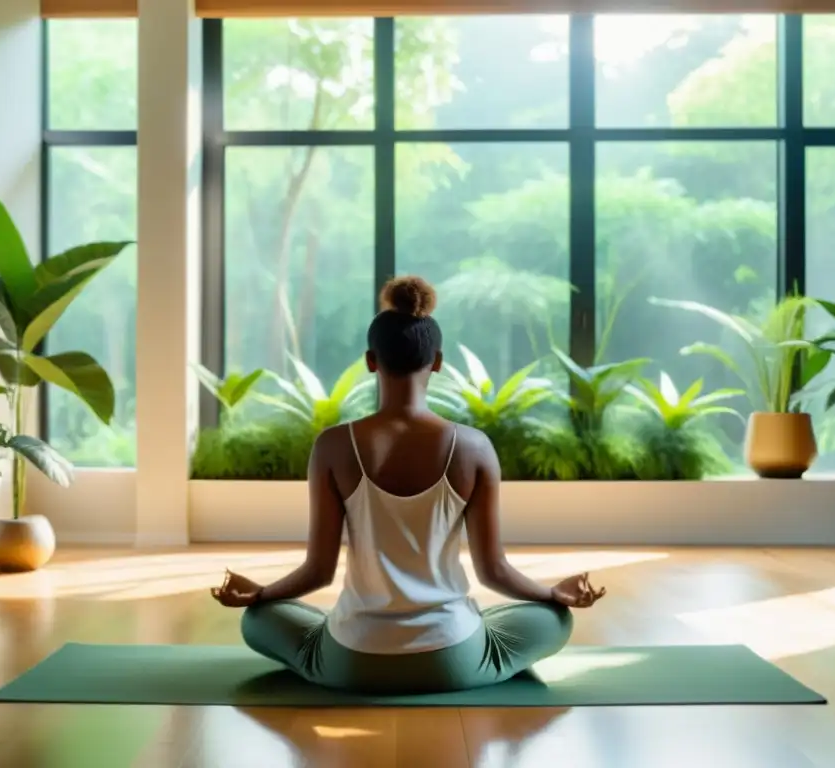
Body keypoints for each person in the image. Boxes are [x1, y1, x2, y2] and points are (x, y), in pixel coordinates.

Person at [211, 276, 606, 694]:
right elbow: (495, 571)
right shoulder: (473, 447)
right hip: (451, 657)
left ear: (370, 361)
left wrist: (261, 594)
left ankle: (338, 657)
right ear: (436, 361)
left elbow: (318, 571)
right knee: (554, 619)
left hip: (351, 661)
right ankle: (472, 646)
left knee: (258, 619)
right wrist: (551, 593)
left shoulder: (332, 446)